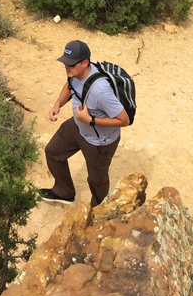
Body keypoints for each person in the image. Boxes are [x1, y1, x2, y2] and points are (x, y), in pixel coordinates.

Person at [41, 39, 129, 206]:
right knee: (53, 152)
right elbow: (69, 86)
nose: (67, 67)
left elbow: (124, 120)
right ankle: (64, 192)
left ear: (85, 63)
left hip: (99, 141)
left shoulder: (101, 91)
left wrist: (90, 120)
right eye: (65, 63)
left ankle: (98, 213)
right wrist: (57, 104)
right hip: (78, 126)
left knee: (97, 180)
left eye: (71, 64)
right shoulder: (75, 73)